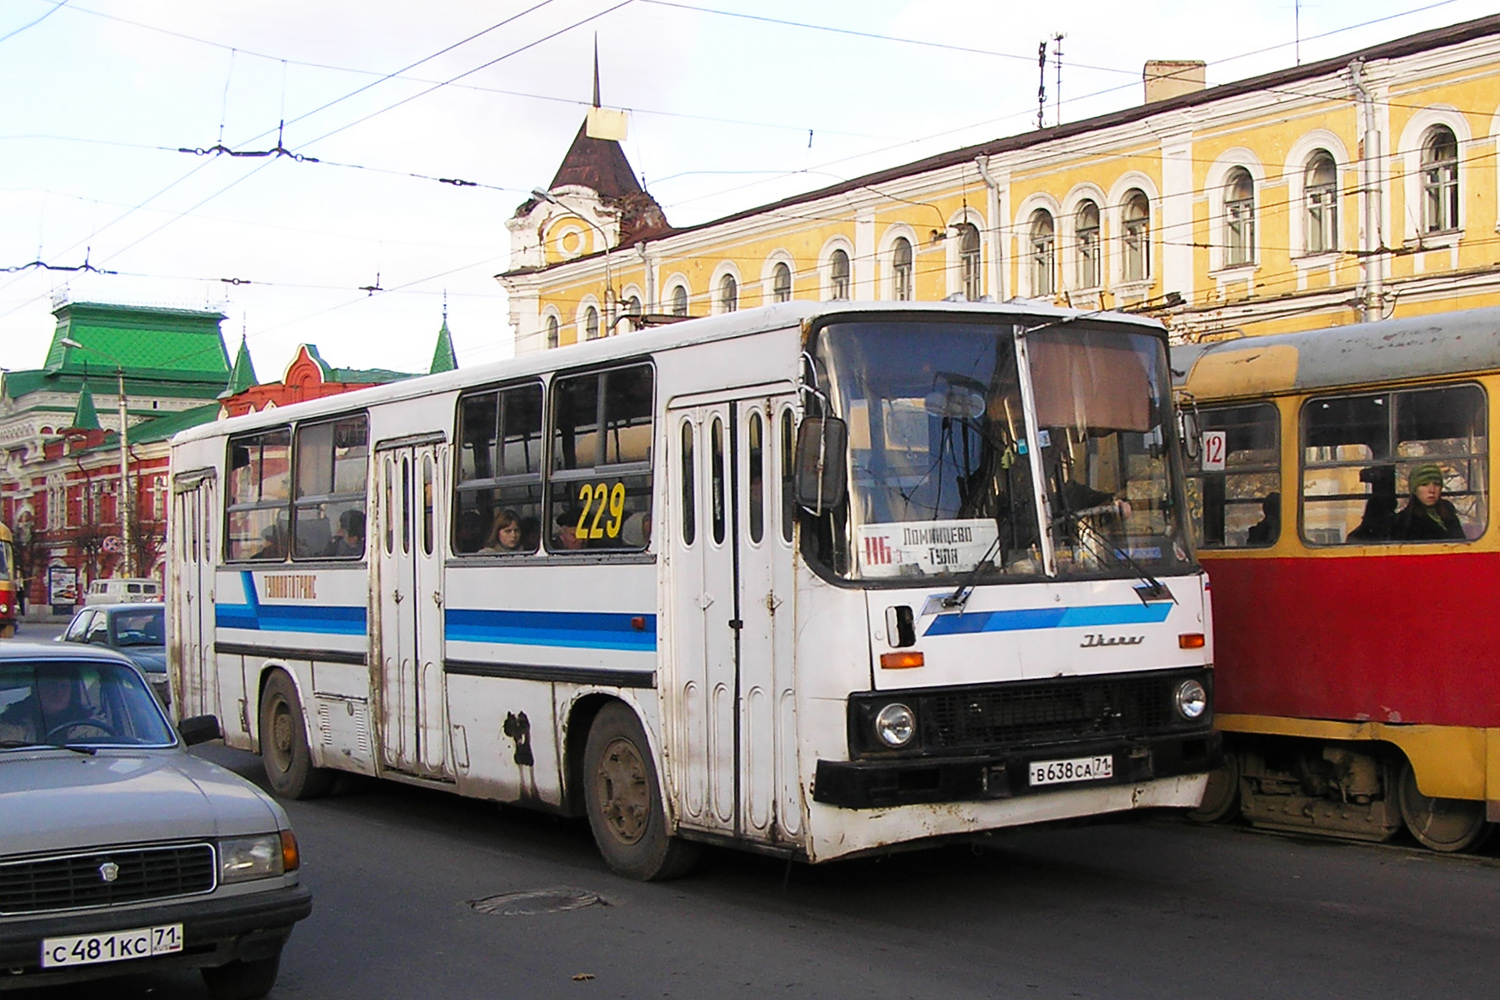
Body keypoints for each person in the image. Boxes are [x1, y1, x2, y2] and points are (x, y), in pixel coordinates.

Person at [0, 669, 96, 744]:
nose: (58, 692)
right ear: (36, 690)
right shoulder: (13, 723)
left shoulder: (89, 724)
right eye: (51, 685)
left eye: (64, 686)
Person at [1390, 463, 1465, 541]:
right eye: (1424, 484)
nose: (1432, 490)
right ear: (1414, 489)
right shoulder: (1403, 522)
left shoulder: (1449, 515)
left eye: (1436, 484)